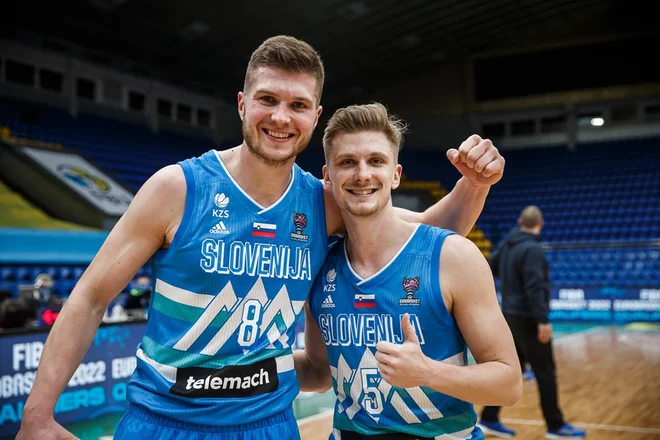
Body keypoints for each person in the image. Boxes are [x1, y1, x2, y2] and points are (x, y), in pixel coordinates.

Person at [17, 36, 505, 440]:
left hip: (269, 425)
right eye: (268, 100)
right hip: (164, 423)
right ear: (242, 103)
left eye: (297, 105)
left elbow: (423, 237)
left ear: (314, 117)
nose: (280, 117)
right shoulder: (178, 188)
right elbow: (90, 296)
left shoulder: (325, 200)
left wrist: (475, 182)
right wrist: (37, 415)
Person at [294, 103, 521, 440]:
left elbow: (509, 384)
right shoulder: (319, 262)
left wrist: (428, 372)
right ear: (327, 176)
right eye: (346, 162)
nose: (362, 174)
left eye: (375, 161)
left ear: (396, 174)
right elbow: (317, 370)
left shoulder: (453, 256)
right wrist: (249, 363)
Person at [477, 206, 586, 439]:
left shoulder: (507, 244)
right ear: (540, 224)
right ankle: (555, 427)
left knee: (512, 370)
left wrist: (510, 286)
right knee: (545, 371)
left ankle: (489, 417)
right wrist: (542, 319)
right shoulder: (533, 249)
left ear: (519, 221)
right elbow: (535, 286)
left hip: (510, 315)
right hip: (528, 318)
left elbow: (490, 267)